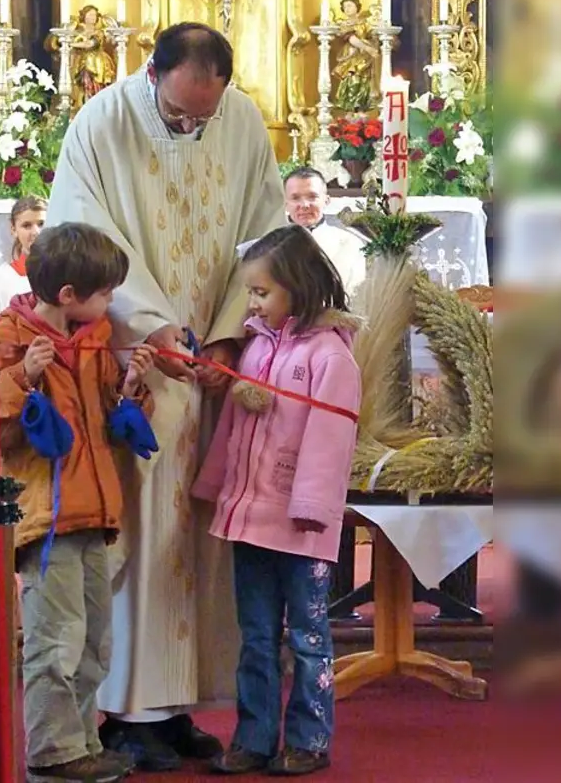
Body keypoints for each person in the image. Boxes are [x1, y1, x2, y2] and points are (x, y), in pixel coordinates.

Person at [44, 21, 284, 770]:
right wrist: (155, 328)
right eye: (180, 115)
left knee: (200, 535)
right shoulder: (101, 123)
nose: (193, 126)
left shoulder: (239, 120)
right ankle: (122, 709)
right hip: (136, 364)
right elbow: (81, 233)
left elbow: (265, 233)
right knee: (139, 528)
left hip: (211, 363)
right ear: (153, 77)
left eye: (203, 117)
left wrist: (224, 333)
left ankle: (176, 705)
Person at [0, 223, 157, 783]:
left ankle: (83, 744)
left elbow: (110, 422)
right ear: (68, 294)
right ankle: (51, 752)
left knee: (95, 638)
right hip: (45, 516)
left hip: (94, 509)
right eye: (105, 292)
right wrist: (23, 374)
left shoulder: (94, 339)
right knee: (55, 639)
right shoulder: (8, 333)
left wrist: (130, 386)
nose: (112, 302)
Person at [192, 226, 360, 777]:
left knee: (309, 636)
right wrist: (216, 486)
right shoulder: (257, 344)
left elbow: (329, 441)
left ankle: (310, 737)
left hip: (301, 523)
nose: (253, 302)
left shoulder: (331, 357)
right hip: (250, 518)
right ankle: (254, 737)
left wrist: (311, 506)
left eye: (262, 292)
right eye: (251, 293)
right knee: (256, 637)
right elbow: (235, 428)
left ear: (298, 286)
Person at [280, 167, 367, 308]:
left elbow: (355, 294)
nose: (304, 205)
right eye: (296, 198)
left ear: (326, 200)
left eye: (312, 197)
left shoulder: (349, 243)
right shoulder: (271, 244)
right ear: (285, 203)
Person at [0, 195, 48, 316]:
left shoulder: (64, 273)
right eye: (27, 225)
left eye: (41, 224)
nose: (36, 232)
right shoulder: (0, 279)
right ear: (13, 229)